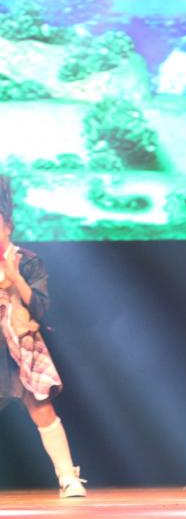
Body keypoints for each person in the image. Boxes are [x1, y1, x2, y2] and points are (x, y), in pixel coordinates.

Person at [0, 177, 86, 498]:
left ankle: (68, 477)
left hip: (20, 343)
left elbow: (40, 307)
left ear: (8, 227)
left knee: (41, 407)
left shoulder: (28, 260)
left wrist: (15, 278)